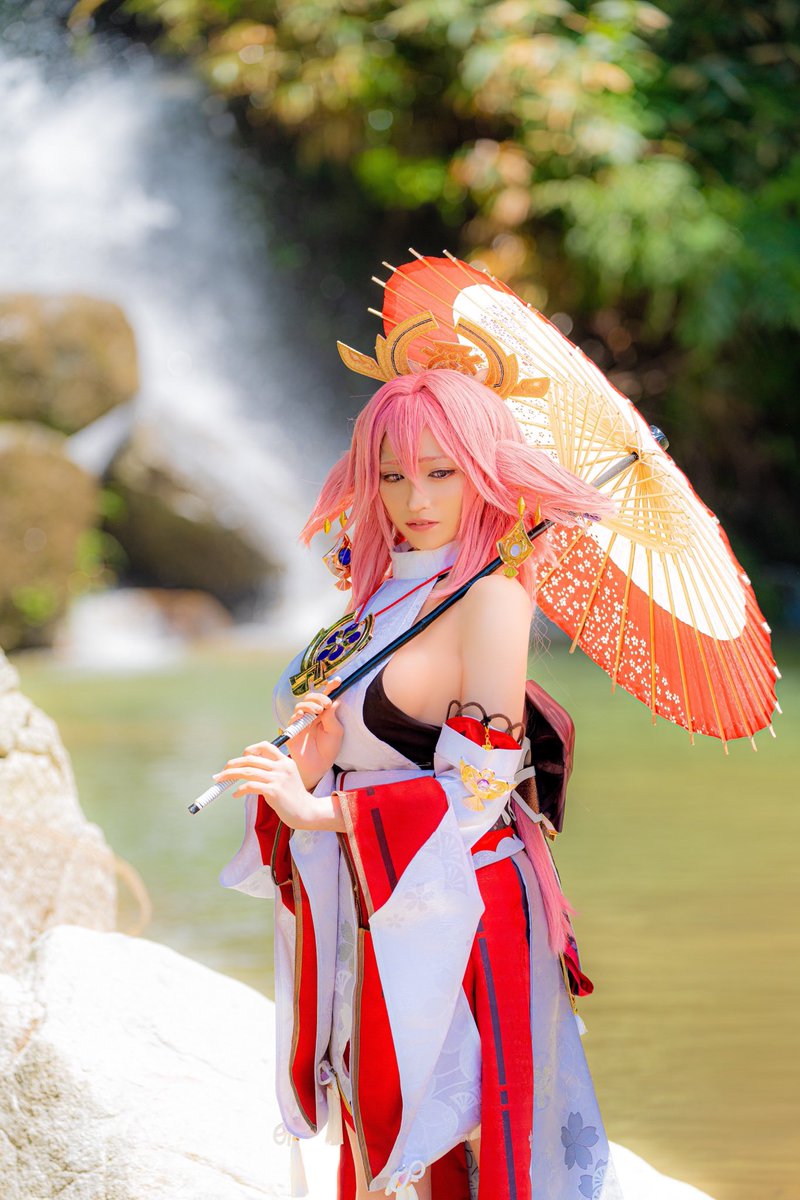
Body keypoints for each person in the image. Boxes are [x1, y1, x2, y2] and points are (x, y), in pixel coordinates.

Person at [215, 366, 624, 1200]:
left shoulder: (493, 599)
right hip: (374, 893)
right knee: (378, 1128)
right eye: (393, 475)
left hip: (465, 908)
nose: (415, 499)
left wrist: (319, 810)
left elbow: (477, 791)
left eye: (442, 472)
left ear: (483, 471)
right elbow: (355, 748)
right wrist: (305, 766)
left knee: (466, 1139)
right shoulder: (373, 599)